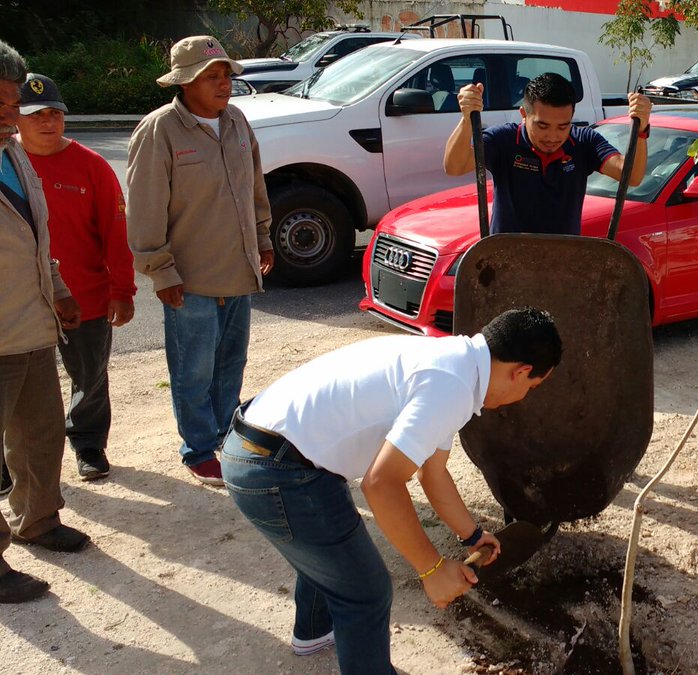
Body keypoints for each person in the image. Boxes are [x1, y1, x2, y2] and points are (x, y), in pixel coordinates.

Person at [222, 307, 561, 672]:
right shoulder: (452, 386)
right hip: (273, 468)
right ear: (521, 371)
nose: (525, 396)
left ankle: (314, 632)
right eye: (532, 387)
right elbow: (381, 483)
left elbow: (434, 473)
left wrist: (472, 534)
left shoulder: (455, 364)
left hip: (268, 450)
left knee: (331, 548)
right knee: (366, 593)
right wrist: (431, 570)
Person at [126, 35, 274, 486]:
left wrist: (264, 238)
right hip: (187, 280)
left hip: (238, 271)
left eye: (225, 74)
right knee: (193, 370)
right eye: (210, 76)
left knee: (231, 363)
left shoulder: (236, 123)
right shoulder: (160, 129)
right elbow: (145, 208)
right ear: (185, 82)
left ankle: (226, 435)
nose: (222, 84)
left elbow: (255, 190)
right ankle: (197, 449)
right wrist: (161, 271)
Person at [0, 39, 91, 604]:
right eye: (0, 105)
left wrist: (57, 290)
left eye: (12, 105)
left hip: (30, 327)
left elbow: (35, 238)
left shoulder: (13, 153)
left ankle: (38, 519)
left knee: (39, 435)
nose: (11, 117)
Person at [16, 73, 136, 481]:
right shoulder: (7, 162)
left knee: (89, 375)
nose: (48, 122)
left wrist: (122, 290)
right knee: (14, 384)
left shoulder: (93, 166)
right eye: (36, 115)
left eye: (55, 113)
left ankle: (88, 443)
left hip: (86, 295)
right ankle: (7, 461)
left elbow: (116, 235)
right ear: (15, 118)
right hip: (20, 301)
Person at [443, 72, 651, 235]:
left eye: (563, 126)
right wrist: (466, 119)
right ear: (524, 114)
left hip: (561, 264)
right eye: (542, 126)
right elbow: (454, 167)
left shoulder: (583, 141)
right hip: (506, 263)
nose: (552, 136)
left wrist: (641, 130)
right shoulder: (503, 140)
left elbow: (631, 176)